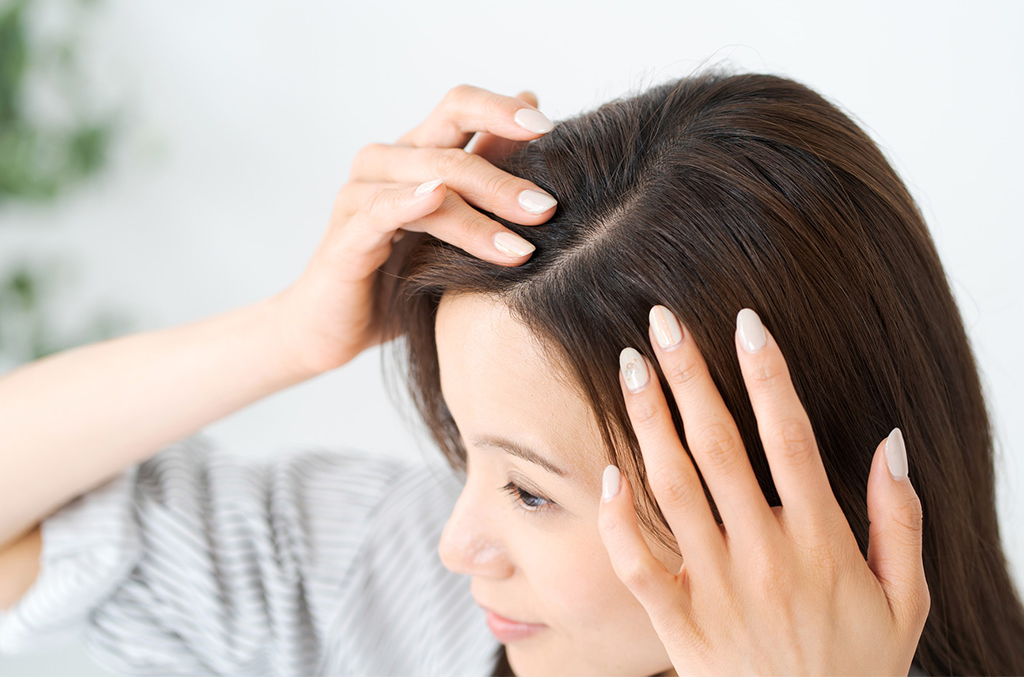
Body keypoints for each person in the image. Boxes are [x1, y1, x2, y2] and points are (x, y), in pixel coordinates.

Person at [0, 70, 1021, 676]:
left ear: (787, 500)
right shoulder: (394, 588)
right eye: (467, 452)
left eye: (530, 492)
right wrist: (287, 334)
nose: (461, 544)